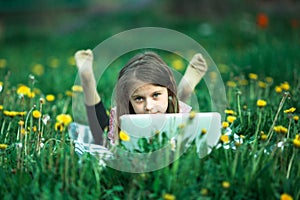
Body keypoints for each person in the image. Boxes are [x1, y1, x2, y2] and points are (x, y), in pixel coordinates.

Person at [73, 49, 208, 148]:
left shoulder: (177, 114)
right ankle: (88, 83)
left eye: (155, 95)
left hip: (173, 110)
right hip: (122, 133)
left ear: (168, 91)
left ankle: (184, 91)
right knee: (102, 137)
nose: (148, 106)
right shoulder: (123, 117)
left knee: (176, 114)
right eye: (139, 99)